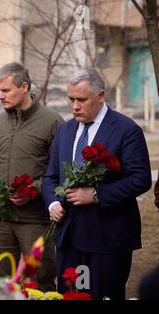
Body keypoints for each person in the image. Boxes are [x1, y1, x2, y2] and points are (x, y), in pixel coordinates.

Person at [42, 68, 151, 300]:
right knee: (71, 295)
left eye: (81, 99)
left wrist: (96, 195)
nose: (74, 106)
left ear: (101, 96)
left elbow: (140, 178)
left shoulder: (126, 130)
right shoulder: (65, 130)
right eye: (71, 99)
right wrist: (52, 203)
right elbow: (51, 177)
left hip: (107, 240)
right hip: (69, 239)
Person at [0, 62, 63, 291]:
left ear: (24, 87)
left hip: (35, 220)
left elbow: (60, 172)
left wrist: (32, 190)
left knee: (41, 280)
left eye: (5, 90)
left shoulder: (52, 122)